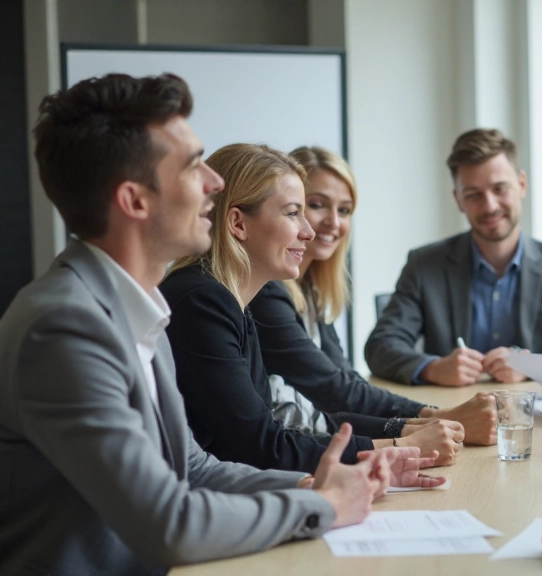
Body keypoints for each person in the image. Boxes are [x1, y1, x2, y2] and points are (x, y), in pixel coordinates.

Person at [0, 73, 398, 574]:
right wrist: (323, 506)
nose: (214, 183)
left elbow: (192, 468)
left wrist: (311, 484)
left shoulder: (137, 307)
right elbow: (169, 523)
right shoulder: (62, 328)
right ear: (135, 201)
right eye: (193, 167)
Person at [160, 143, 464, 471]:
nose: (308, 232)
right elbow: (257, 444)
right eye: (294, 213)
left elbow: (278, 424)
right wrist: (398, 447)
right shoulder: (204, 301)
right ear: (237, 223)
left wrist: (402, 431)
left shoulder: (234, 304)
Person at [249, 145, 498, 445]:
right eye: (315, 205)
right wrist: (436, 416)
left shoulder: (310, 290)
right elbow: (334, 389)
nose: (333, 222)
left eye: (344, 210)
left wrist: (430, 419)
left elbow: (345, 379)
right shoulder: (266, 291)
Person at [364, 128, 542, 386]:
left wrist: (533, 367)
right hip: (449, 416)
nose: (490, 205)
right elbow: (380, 346)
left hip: (531, 416)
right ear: (458, 199)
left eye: (500, 189)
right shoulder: (424, 265)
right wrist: (433, 368)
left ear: (522, 185)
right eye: (473, 195)